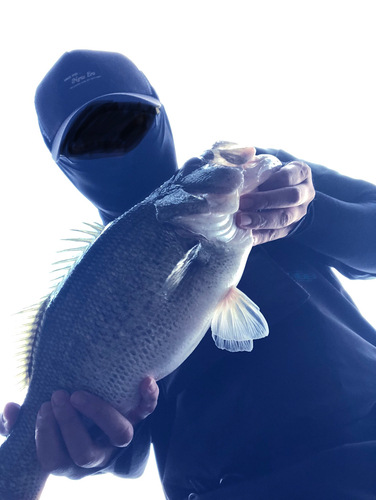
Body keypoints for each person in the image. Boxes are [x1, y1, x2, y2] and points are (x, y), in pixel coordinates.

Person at [1, 50, 376, 500]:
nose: (116, 141)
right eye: (89, 139)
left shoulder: (263, 178)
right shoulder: (88, 293)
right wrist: (92, 450)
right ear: (64, 161)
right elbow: (128, 449)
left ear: (159, 111)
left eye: (128, 120)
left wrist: (311, 213)